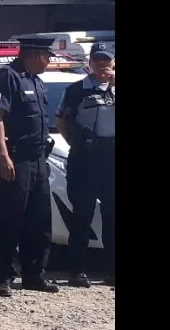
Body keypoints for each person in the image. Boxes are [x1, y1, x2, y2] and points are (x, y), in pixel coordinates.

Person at [0, 35, 60, 297]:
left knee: (39, 219)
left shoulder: (37, 82)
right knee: (10, 218)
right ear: (34, 53)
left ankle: (34, 274)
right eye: (48, 55)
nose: (50, 60)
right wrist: (3, 155)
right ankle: (3, 276)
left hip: (38, 159)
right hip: (15, 158)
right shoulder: (8, 77)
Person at [55, 42, 115, 287]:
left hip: (111, 158)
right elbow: (60, 120)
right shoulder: (76, 89)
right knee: (82, 215)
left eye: (107, 60)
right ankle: (77, 271)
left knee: (112, 216)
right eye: (98, 60)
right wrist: (76, 143)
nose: (103, 64)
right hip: (85, 158)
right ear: (90, 63)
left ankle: (111, 270)